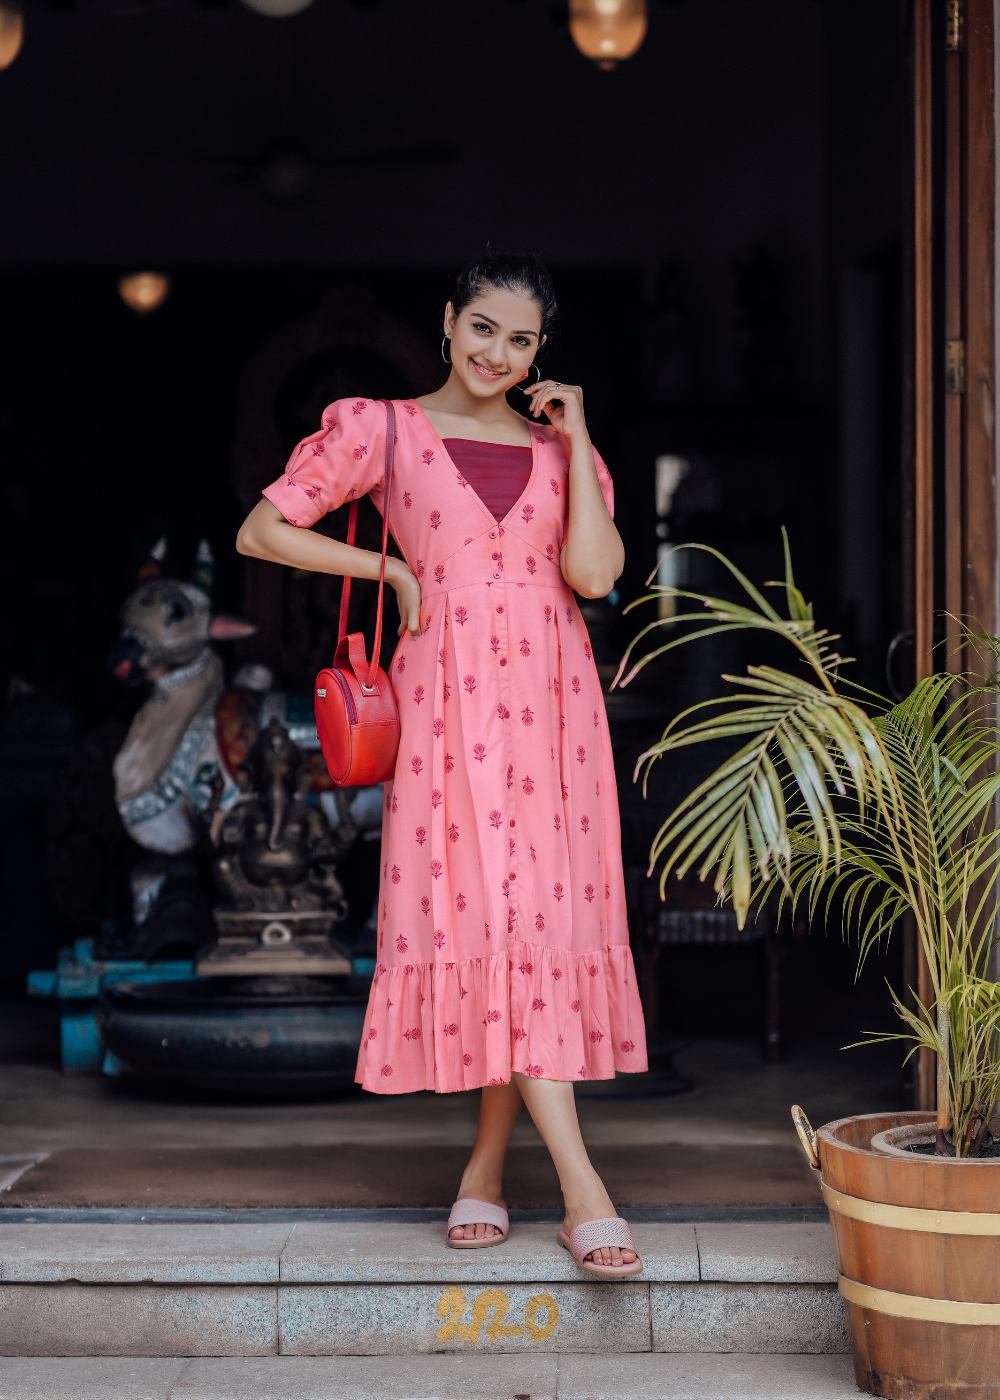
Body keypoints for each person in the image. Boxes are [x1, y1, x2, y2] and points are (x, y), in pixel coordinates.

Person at [237, 250, 648, 1276]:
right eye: (483, 329)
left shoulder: (565, 456)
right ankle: (582, 1185)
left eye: (520, 340)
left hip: (553, 708)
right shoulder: (381, 427)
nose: (497, 355)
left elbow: (594, 574)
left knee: (532, 924)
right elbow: (264, 529)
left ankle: (483, 1166)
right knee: (489, 916)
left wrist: (581, 430)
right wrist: (385, 564)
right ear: (449, 319)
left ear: (541, 351)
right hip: (448, 699)